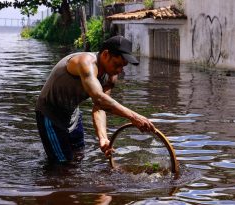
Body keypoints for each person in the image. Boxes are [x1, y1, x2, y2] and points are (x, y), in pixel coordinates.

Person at [35, 35, 155, 163]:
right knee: (62, 165)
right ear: (105, 55)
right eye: (117, 64)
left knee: (78, 156)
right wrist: (134, 116)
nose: (119, 70)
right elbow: (99, 98)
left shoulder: (111, 75)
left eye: (123, 66)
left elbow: (100, 107)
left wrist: (102, 137)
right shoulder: (85, 62)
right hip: (50, 114)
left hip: (72, 114)